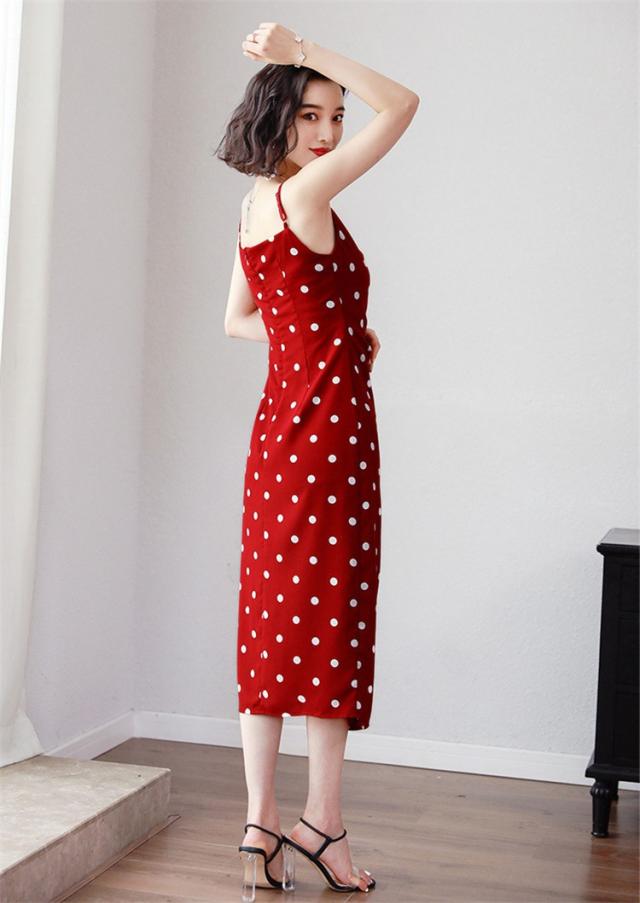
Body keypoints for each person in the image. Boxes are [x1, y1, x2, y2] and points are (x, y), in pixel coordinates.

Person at [216, 22, 419, 899]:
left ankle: (260, 824)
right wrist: (306, 47)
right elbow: (403, 105)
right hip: (330, 438)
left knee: (272, 625)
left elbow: (238, 319)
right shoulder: (310, 192)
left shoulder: (256, 204)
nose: (330, 133)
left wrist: (327, 334)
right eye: (311, 115)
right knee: (330, 622)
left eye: (336, 117)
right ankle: (322, 822)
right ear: (278, 114)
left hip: (278, 438)